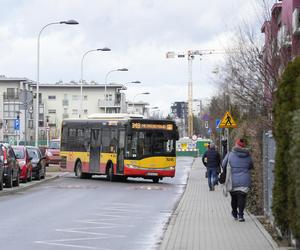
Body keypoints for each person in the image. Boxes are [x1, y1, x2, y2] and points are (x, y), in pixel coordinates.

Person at [222, 138, 253, 222]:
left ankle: (235, 213)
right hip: (244, 180)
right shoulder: (248, 155)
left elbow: (223, 164)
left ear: (236, 145)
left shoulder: (230, 154)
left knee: (234, 198)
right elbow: (251, 166)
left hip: (233, 180)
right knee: (242, 197)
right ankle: (241, 215)